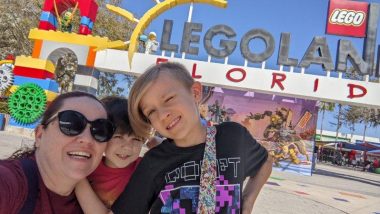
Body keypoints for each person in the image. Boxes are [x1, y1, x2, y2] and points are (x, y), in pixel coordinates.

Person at [112, 62, 273, 214]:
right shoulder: (153, 163)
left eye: (169, 99)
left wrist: (249, 199)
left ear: (195, 92)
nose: (162, 115)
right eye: (151, 112)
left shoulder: (233, 138)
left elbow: (265, 162)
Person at [0, 91, 115, 214]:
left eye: (101, 130)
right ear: (39, 135)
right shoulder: (9, 182)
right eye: (71, 124)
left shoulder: (97, 201)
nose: (87, 139)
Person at [75, 96, 146, 212]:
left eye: (137, 139)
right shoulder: (87, 166)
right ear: (101, 136)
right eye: (118, 136)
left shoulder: (145, 168)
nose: (127, 146)